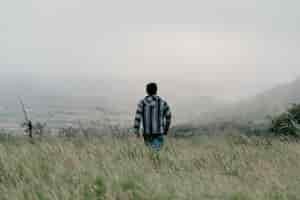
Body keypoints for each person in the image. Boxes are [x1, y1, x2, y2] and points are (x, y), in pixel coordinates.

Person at [134, 82, 172, 150]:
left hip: (147, 133)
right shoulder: (163, 103)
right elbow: (168, 116)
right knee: (156, 153)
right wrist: (166, 130)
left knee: (150, 152)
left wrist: (137, 131)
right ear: (156, 90)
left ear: (147, 91)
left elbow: (137, 118)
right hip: (159, 132)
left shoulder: (142, 103)